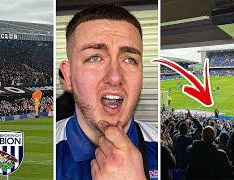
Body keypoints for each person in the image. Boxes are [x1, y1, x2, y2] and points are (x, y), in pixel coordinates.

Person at [56, 4, 158, 180]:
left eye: (129, 59)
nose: (115, 77)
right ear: (69, 75)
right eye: (94, 58)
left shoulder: (160, 147)